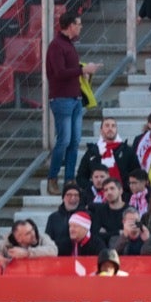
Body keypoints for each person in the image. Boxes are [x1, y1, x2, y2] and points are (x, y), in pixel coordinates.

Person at [47, 12, 102, 195]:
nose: (80, 27)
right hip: (62, 98)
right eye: (78, 24)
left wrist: (82, 70)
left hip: (75, 98)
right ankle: (53, 178)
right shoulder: (56, 46)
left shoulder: (67, 45)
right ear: (70, 25)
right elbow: (59, 72)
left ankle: (70, 178)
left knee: (74, 140)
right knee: (64, 140)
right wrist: (82, 69)